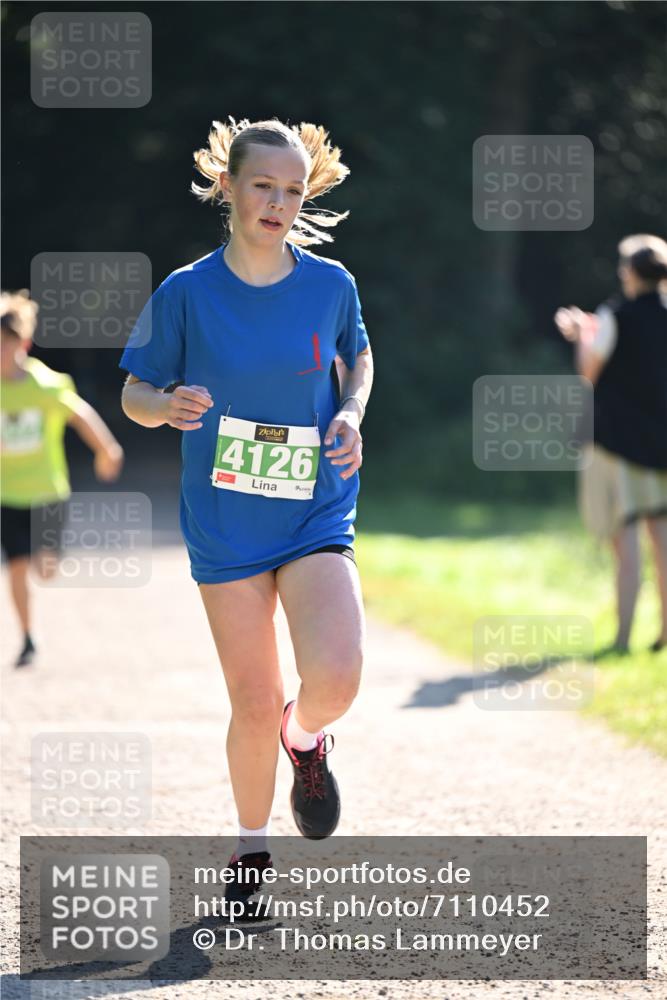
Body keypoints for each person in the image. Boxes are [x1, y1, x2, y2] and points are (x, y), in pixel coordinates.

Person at [119, 117, 374, 917]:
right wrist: (166, 404)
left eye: (293, 190)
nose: (278, 202)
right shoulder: (185, 291)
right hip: (225, 517)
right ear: (226, 186)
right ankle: (250, 847)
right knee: (253, 699)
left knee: (335, 675)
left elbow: (357, 355)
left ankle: (307, 739)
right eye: (263, 185)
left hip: (312, 506)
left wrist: (353, 413)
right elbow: (134, 393)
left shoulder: (330, 284)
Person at [554, 234, 667, 655]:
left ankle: (622, 638)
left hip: (619, 442)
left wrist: (582, 335)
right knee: (663, 537)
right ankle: (664, 633)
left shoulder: (616, 313)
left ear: (632, 273)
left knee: (627, 538)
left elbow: (589, 371)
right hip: (662, 442)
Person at [1, 289, 125, 666]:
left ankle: (46, 564)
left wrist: (107, 450)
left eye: (6, 345)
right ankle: (27, 636)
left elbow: (81, 416)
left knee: (46, 568)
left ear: (23, 342)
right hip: (8, 495)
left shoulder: (47, 386)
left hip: (48, 492)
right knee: (17, 566)